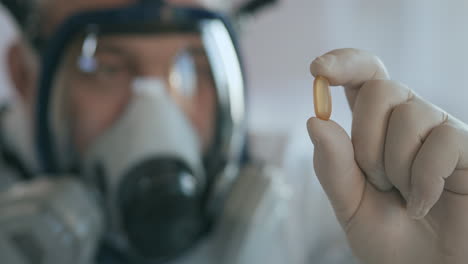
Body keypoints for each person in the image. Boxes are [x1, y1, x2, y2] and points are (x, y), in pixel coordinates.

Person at [1, 1, 468, 264]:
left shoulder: (327, 200)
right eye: (102, 67)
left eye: (195, 66)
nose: (158, 113)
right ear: (24, 76)